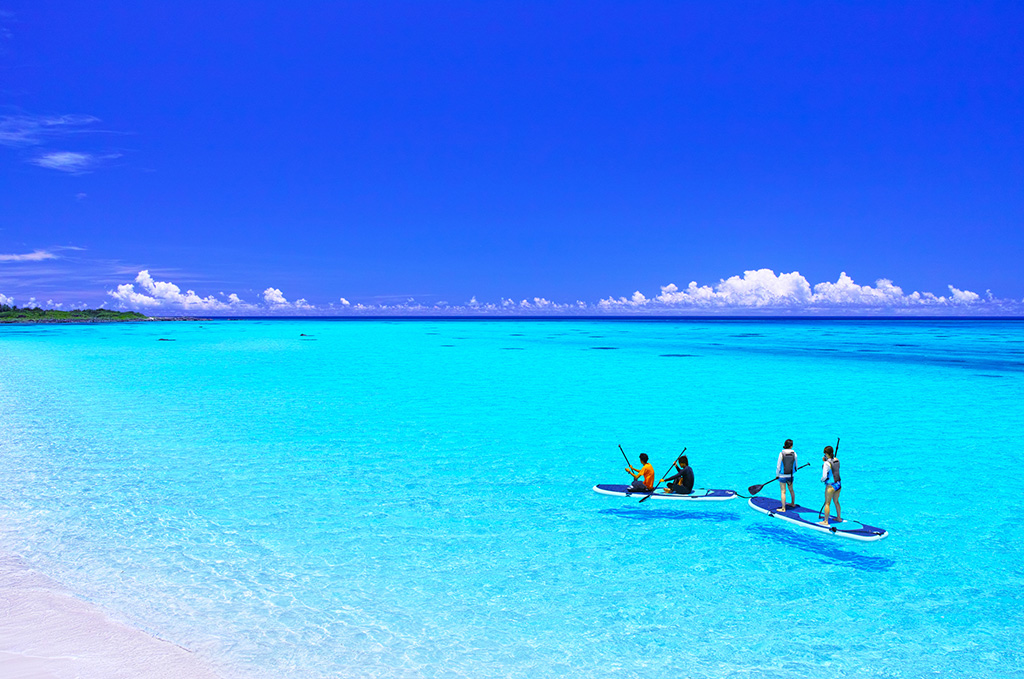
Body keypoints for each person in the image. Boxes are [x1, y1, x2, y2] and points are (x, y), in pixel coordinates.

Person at [818, 445, 842, 525]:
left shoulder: (826, 464)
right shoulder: (837, 460)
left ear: (826, 454)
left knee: (827, 503)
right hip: (838, 484)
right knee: (836, 501)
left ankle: (825, 521)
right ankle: (839, 518)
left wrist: (822, 480)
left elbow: (824, 476)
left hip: (831, 486)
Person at [777, 439, 798, 511]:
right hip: (791, 476)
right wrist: (793, 472)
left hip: (782, 476)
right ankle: (792, 503)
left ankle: (783, 508)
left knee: (783, 491)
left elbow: (778, 466)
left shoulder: (781, 454)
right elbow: (796, 466)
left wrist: (777, 475)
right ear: (791, 446)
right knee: (791, 490)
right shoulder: (794, 454)